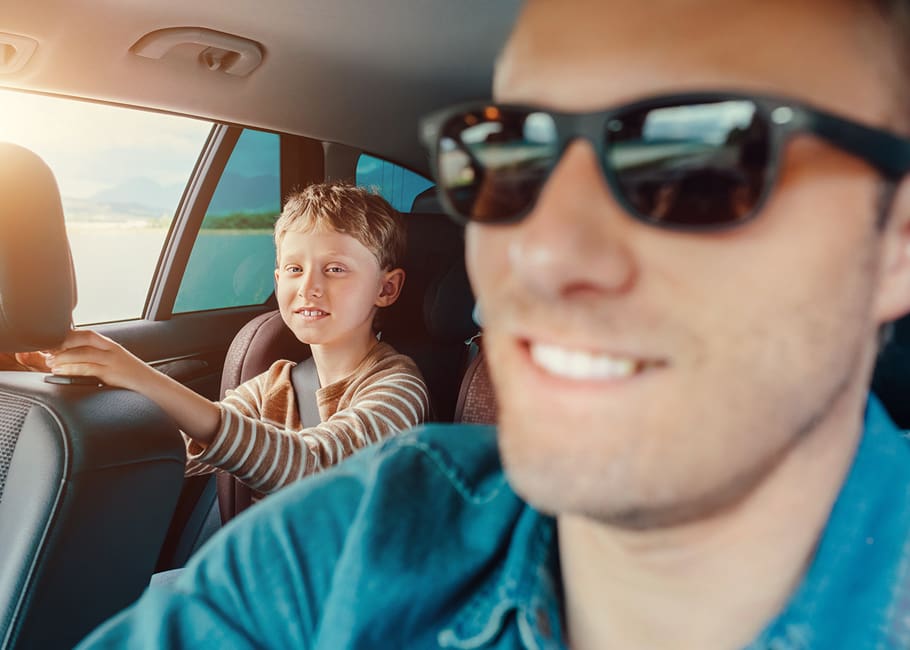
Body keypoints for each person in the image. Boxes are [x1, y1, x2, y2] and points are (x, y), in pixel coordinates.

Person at [78, 0, 910, 647]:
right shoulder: (353, 544)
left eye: (695, 161)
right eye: (510, 157)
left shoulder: (386, 416)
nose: (540, 251)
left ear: (896, 243)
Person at [49, 181, 429, 500]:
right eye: (295, 269)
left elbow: (316, 468)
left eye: (335, 269)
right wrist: (78, 382)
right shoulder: (274, 385)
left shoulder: (397, 388)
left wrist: (140, 376)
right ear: (278, 281)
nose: (309, 287)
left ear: (387, 287)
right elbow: (177, 448)